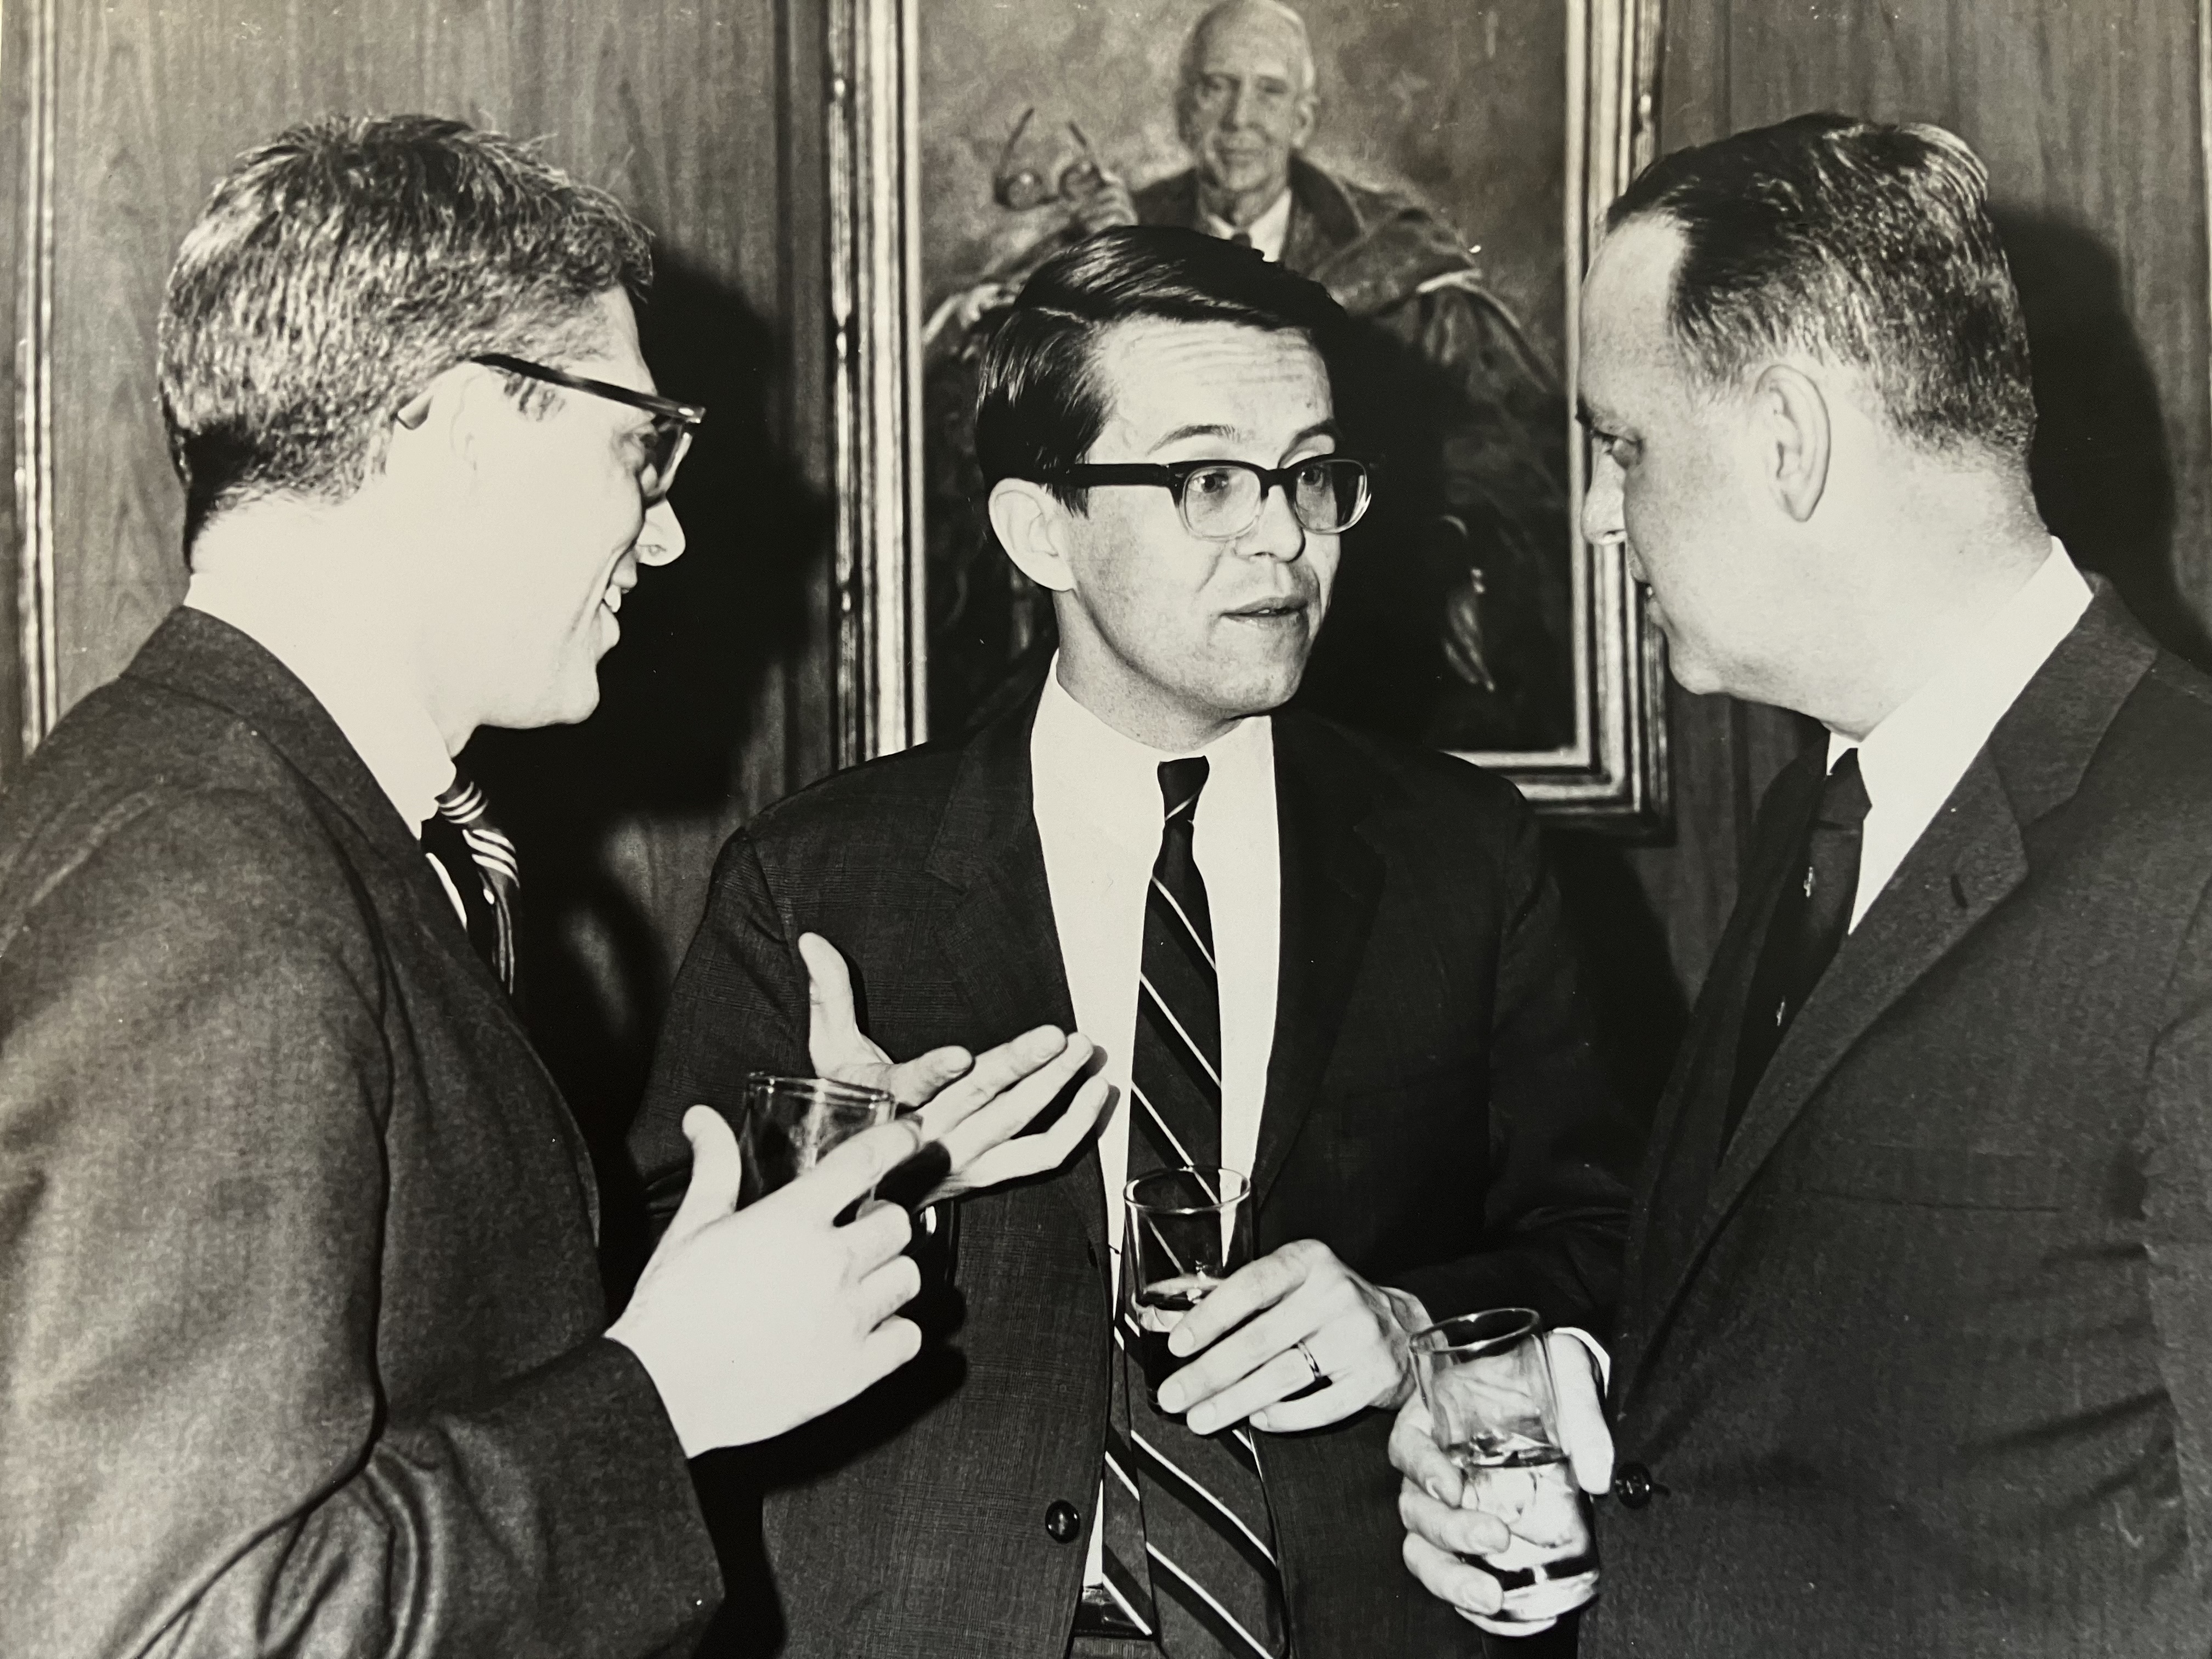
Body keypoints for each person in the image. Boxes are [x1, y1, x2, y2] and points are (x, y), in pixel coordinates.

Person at [0, 114, 1102, 1659]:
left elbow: (421, 1335)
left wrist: (817, 1183)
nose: (664, 531)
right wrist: (663, 1405)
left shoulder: (268, 813)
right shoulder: (208, 894)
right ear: (461, 431)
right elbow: (167, 1629)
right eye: (641, 447)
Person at [631, 224, 1634, 1659]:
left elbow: (1615, 1244)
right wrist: (854, 1176)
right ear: (1044, 528)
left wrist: (1411, 1322)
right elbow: (655, 1307)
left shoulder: (1465, 854)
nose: (1284, 536)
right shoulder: (821, 879)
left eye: (1312, 476)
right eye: (1210, 479)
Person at [1390, 114, 2212, 1655]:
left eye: (1624, 444)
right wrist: (1598, 1423)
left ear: (1788, 436)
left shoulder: (2196, 862)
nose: (1597, 512)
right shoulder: (1819, 820)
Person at [924, 0, 1572, 753]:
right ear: (1181, 107)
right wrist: (1109, 273)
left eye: (1267, 92)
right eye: (1215, 88)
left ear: (1304, 118)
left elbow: (1513, 467)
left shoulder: (1389, 252)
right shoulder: (1116, 229)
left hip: (1356, 643)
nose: (1239, 119)